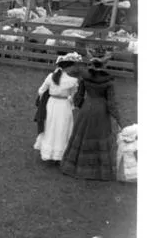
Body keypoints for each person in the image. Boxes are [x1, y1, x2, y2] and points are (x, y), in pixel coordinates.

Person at [60, 49, 127, 181]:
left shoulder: (85, 77)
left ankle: (77, 167)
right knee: (99, 137)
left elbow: (79, 96)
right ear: (105, 64)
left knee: (82, 137)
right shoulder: (109, 81)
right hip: (101, 112)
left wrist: (80, 105)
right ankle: (98, 171)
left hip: (86, 109)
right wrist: (119, 121)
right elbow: (111, 103)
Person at [33, 52, 82, 163]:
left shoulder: (50, 77)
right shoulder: (73, 81)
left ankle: (48, 152)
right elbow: (73, 97)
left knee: (50, 127)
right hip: (64, 106)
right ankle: (59, 154)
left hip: (51, 104)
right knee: (62, 129)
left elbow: (41, 90)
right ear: (69, 67)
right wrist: (71, 103)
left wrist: (47, 96)